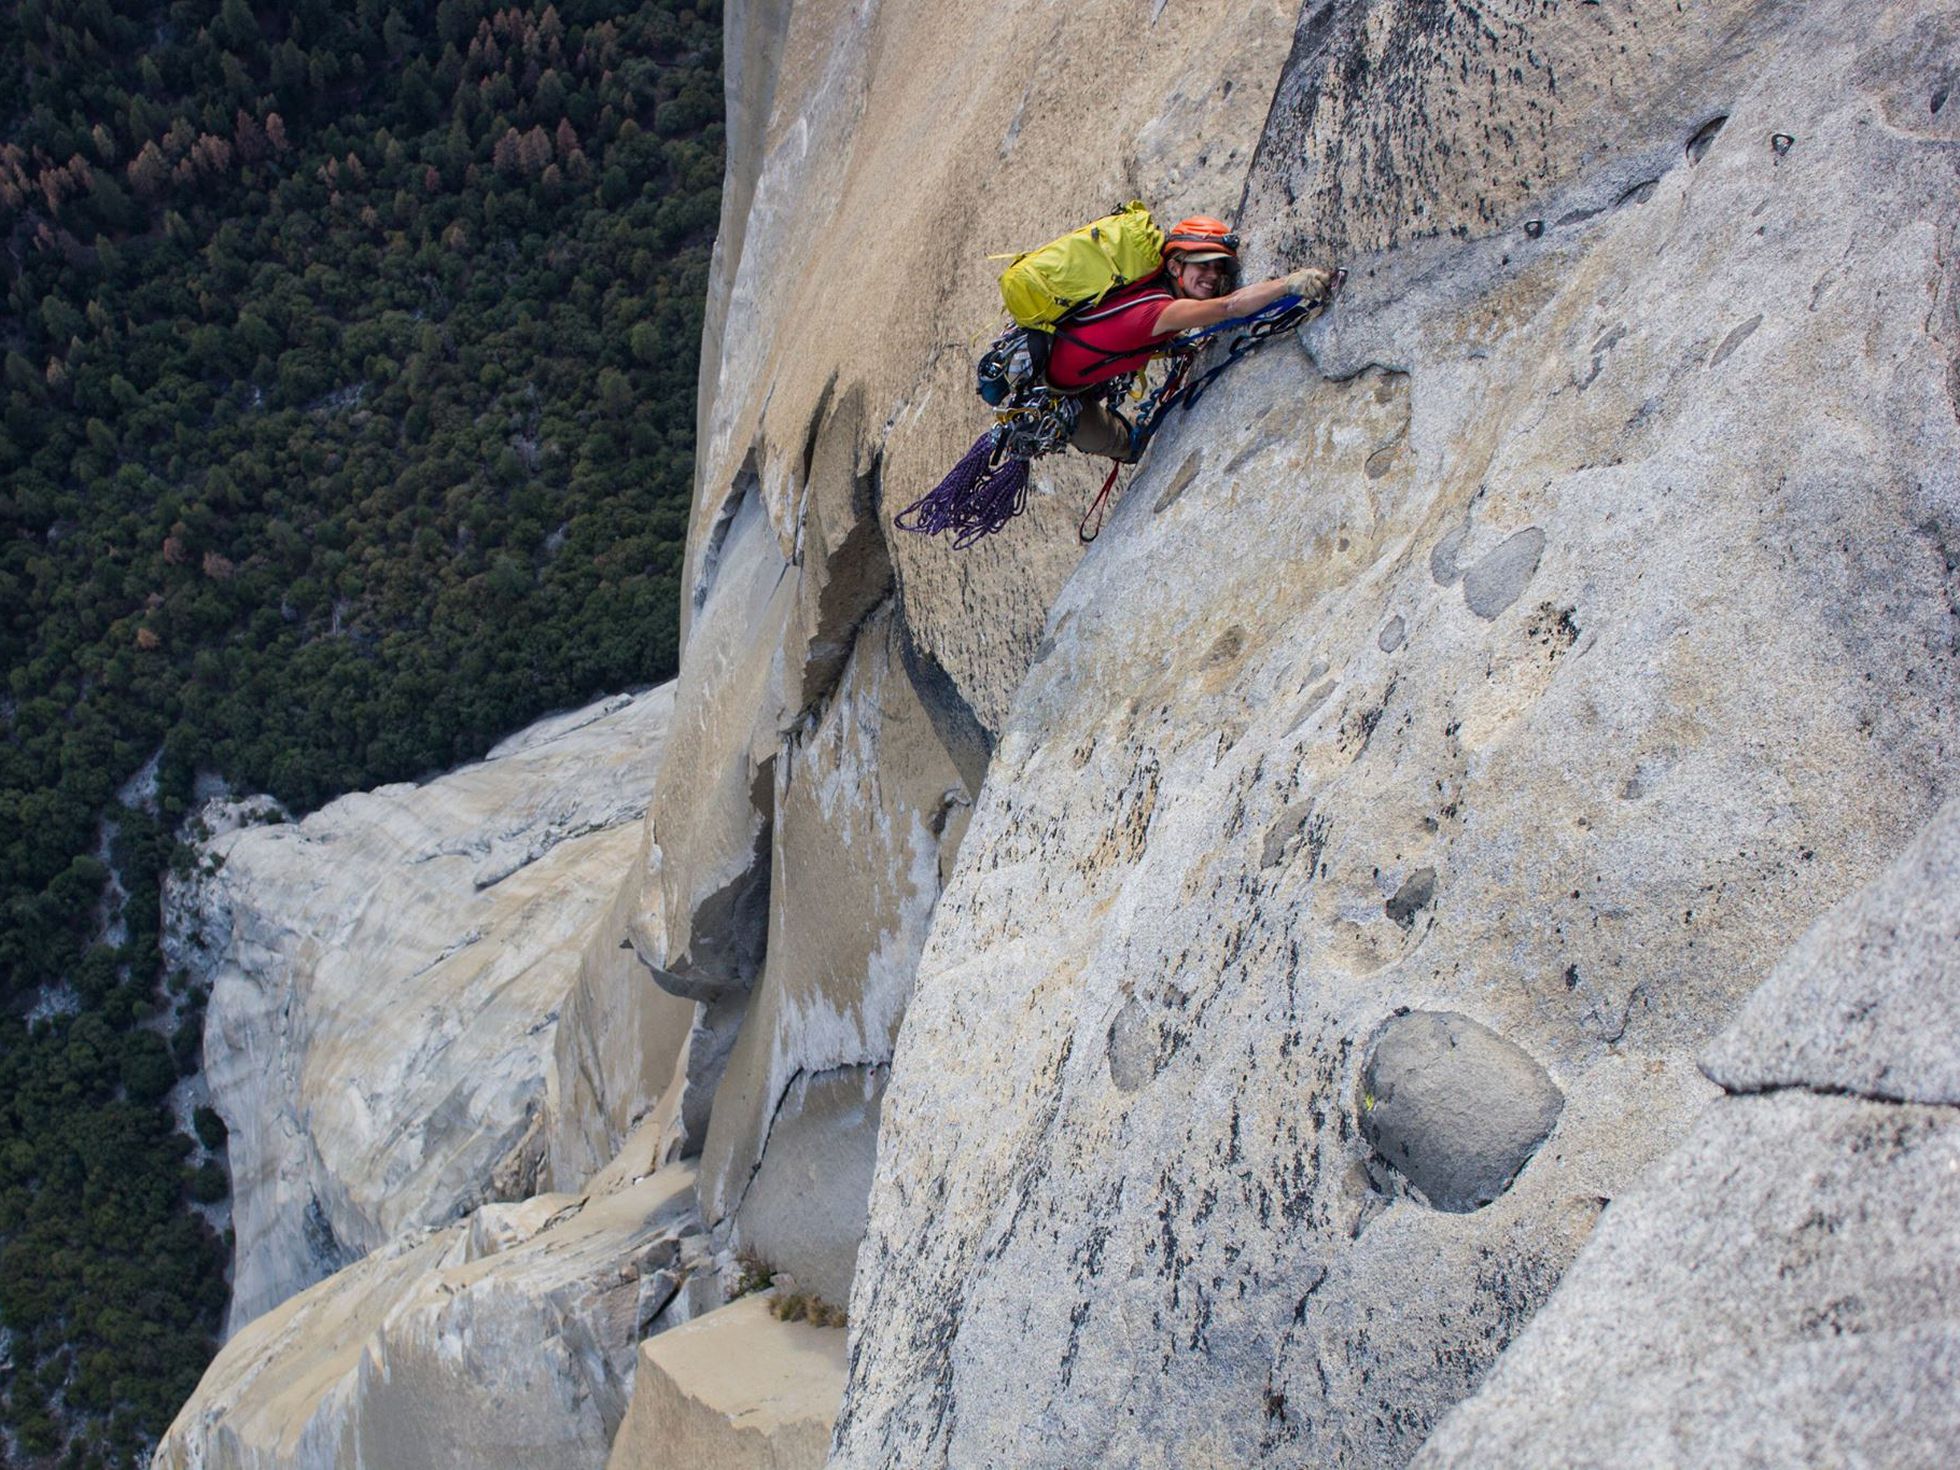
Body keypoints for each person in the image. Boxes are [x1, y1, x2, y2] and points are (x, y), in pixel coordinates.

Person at [1046, 216, 1337, 461]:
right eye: (1203, 265)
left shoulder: (1150, 295)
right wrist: (1288, 284)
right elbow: (1229, 307)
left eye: (1218, 268)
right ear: (1175, 267)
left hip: (1073, 377)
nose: (1213, 276)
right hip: (1050, 395)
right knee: (1128, 446)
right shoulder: (1158, 310)